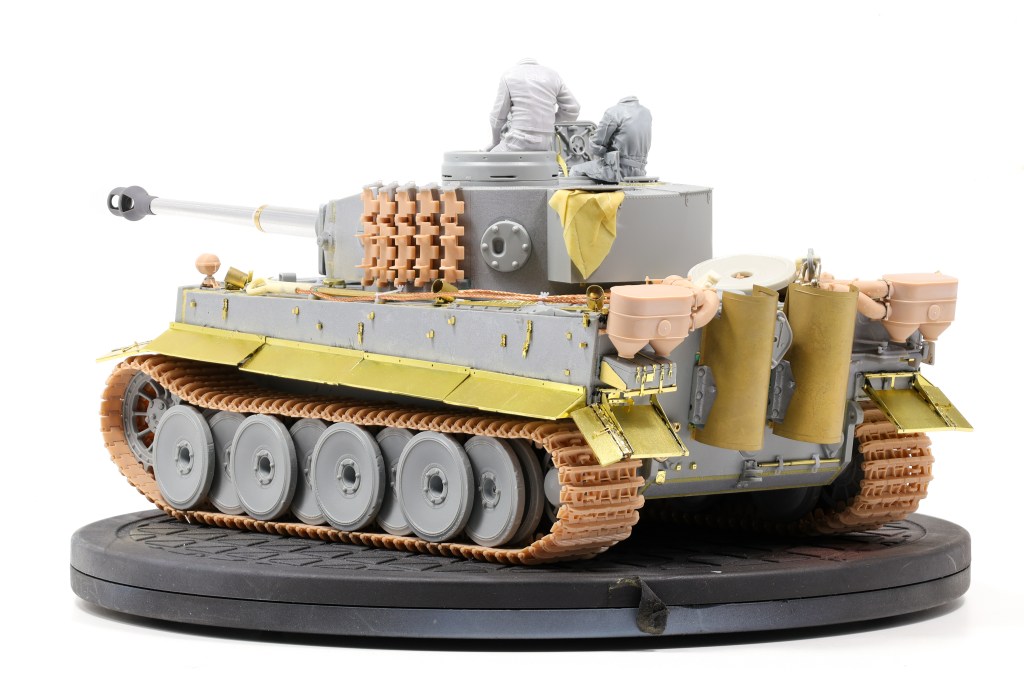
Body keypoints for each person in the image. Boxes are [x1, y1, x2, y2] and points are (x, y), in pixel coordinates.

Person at [488, 58, 580, 152]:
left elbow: (497, 117)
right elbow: (573, 109)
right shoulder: (554, 75)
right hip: (548, 142)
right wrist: (549, 124)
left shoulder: (508, 75)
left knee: (488, 158)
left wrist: (495, 142)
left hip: (518, 140)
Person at [570, 96, 652, 183]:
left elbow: (597, 144)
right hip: (640, 172)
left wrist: (596, 147)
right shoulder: (646, 113)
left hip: (618, 170)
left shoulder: (613, 112)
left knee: (574, 170)